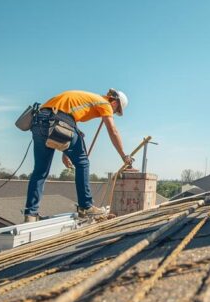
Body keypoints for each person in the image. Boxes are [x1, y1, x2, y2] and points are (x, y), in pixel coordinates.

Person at [23, 89, 132, 222]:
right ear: (114, 103)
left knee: (40, 170)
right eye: (115, 111)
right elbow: (113, 130)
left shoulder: (88, 99)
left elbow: (63, 120)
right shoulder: (105, 103)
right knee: (83, 163)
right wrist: (123, 155)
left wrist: (65, 151)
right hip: (58, 121)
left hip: (39, 121)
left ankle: (31, 214)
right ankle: (86, 207)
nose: (113, 113)